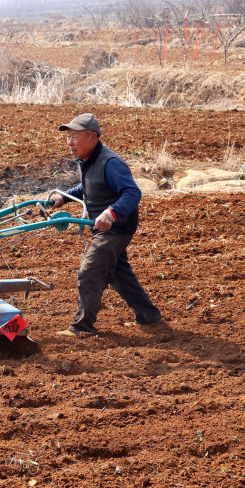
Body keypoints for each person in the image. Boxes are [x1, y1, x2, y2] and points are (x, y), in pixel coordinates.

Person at [47, 113, 162, 337]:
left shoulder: (109, 163)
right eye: (68, 137)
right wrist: (64, 197)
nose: (70, 142)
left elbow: (132, 193)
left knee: (89, 271)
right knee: (117, 272)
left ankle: (82, 327)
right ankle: (149, 316)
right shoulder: (87, 160)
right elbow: (89, 187)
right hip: (105, 226)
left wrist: (110, 213)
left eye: (75, 137)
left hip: (116, 228)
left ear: (93, 137)